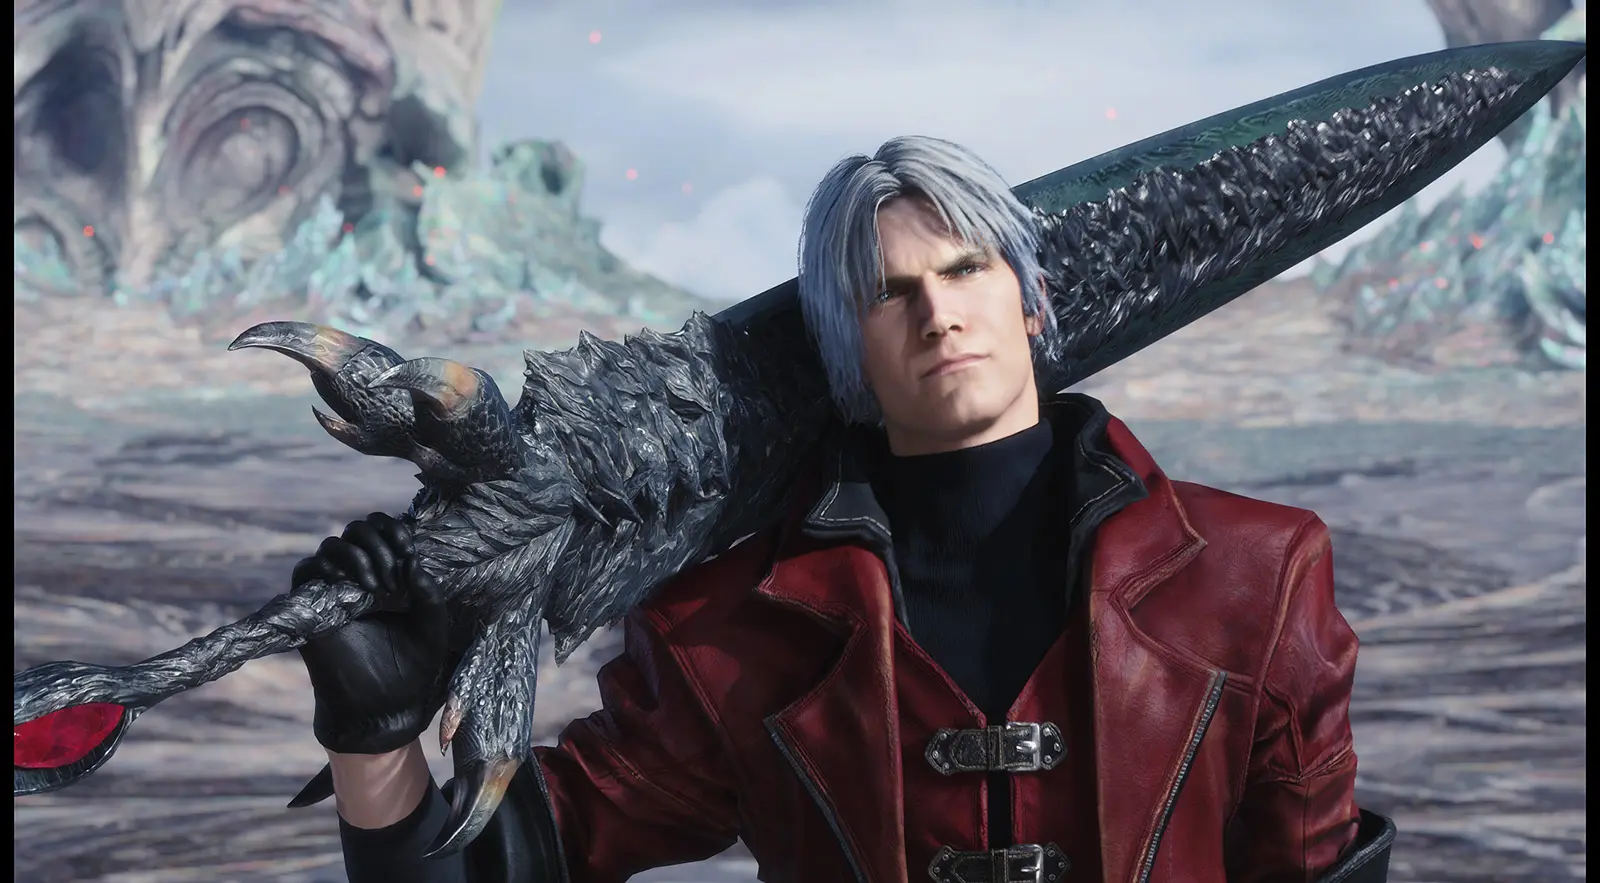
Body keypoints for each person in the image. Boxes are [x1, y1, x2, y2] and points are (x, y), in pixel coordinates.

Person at [297, 136, 1394, 882]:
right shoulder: (727, 633)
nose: (937, 313)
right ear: (844, 348)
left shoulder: (1256, 574)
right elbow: (499, 870)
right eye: (888, 292)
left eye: (966, 269)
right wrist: (373, 737)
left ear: (1031, 298)